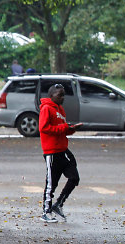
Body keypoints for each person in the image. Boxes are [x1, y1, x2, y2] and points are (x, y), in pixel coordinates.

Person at [39, 84, 83, 223]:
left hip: (63, 150)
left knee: (74, 177)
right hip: (52, 152)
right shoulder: (46, 108)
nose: (63, 98)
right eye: (60, 95)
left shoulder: (60, 109)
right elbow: (44, 128)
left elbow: (60, 128)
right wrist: (64, 127)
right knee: (51, 184)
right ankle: (45, 212)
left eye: (63, 95)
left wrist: (71, 129)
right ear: (51, 95)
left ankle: (58, 205)